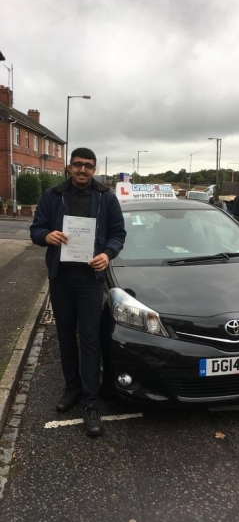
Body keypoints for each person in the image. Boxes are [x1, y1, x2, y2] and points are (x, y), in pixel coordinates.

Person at [30, 147, 126, 436]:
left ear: (94, 169)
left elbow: (118, 234)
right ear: (69, 168)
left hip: (90, 281)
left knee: (90, 339)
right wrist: (47, 236)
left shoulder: (106, 198)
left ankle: (91, 401)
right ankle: (71, 388)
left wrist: (108, 254)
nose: (82, 170)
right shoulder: (53, 196)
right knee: (65, 336)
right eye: (78, 165)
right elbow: (36, 230)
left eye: (88, 166)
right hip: (61, 278)